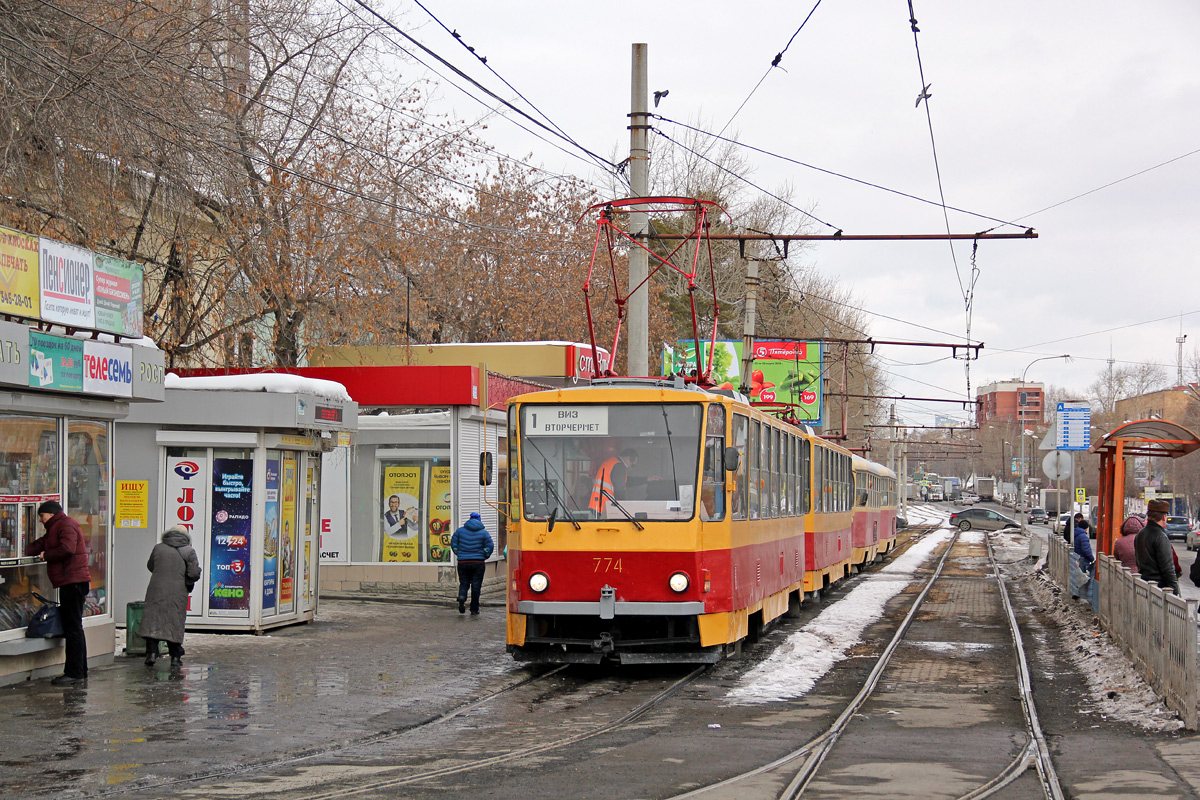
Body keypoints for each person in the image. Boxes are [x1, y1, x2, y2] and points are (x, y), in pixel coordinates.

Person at [25, 500, 90, 686]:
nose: (40, 520)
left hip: (73, 582)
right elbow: (41, 544)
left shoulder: (66, 524)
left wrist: (47, 555)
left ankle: (74, 673)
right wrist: (22, 550)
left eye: (41, 515)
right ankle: (80, 671)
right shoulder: (56, 527)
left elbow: (67, 549)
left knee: (73, 628)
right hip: (71, 582)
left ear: (51, 513)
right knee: (74, 627)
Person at [138, 525, 201, 667]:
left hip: (156, 590)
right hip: (177, 592)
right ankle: (175, 657)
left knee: (153, 620)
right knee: (174, 622)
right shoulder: (189, 551)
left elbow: (150, 566)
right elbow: (193, 574)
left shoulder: (158, 548)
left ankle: (151, 654)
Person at [450, 511, 493, 615]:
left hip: (463, 562)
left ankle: (462, 596)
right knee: (476, 585)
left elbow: (453, 543)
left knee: (464, 582)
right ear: (479, 521)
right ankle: (474, 609)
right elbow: (490, 546)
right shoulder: (484, 533)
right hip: (478, 562)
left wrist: (459, 553)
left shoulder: (460, 531)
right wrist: (485, 556)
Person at [1135, 499, 1179, 595]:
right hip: (1159, 590)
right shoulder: (1161, 536)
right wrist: (1176, 592)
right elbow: (1168, 569)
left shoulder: (1141, 533)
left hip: (1144, 585)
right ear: (1164, 517)